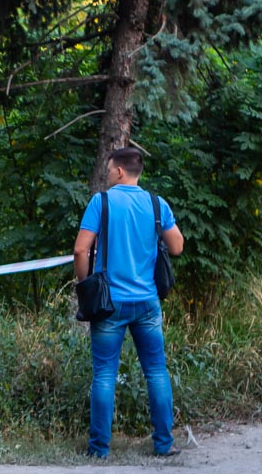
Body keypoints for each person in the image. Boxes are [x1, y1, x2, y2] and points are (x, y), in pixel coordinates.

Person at [73, 147, 185, 458]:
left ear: (120, 171)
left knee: (104, 374)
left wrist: (85, 284)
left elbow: (81, 250)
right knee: (156, 371)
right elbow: (177, 246)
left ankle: (99, 449)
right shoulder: (156, 203)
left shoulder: (102, 202)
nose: (107, 175)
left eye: (109, 170)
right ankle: (164, 444)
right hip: (147, 301)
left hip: (109, 303)